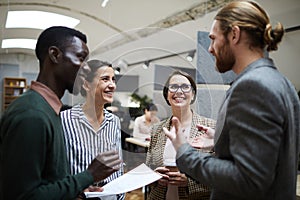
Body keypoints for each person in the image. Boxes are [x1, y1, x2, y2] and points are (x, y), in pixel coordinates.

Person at [164, 1, 300, 200]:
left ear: (234, 35)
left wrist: (184, 151)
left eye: (213, 39)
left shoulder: (253, 86)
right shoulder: (283, 83)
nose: (210, 49)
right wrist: (221, 140)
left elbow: (248, 180)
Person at [0, 26, 122, 200]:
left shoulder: (49, 111)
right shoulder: (32, 114)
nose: (86, 69)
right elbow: (23, 196)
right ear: (55, 55)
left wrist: (77, 190)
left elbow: (49, 181)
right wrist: (88, 175)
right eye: (80, 58)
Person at [145, 70, 216, 200]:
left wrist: (190, 182)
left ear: (193, 94)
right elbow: (149, 167)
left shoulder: (210, 127)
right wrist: (155, 177)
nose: (179, 91)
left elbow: (222, 176)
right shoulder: (157, 129)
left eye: (185, 87)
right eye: (173, 87)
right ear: (167, 95)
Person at [61, 59, 125, 200]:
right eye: (105, 79)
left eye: (113, 80)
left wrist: (120, 195)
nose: (112, 85)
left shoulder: (114, 122)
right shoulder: (64, 120)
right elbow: (58, 171)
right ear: (86, 85)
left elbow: (117, 167)